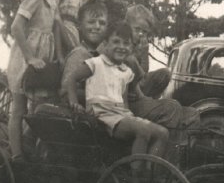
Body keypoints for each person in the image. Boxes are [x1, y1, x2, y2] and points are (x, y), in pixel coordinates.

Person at [66, 21, 169, 159]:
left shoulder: (126, 72)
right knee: (143, 130)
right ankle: (138, 178)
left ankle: (152, 172)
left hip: (120, 115)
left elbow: (123, 100)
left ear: (131, 47)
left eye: (126, 43)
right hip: (101, 115)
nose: (121, 47)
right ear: (106, 43)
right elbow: (71, 79)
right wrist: (74, 103)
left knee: (163, 133)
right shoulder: (96, 63)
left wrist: (131, 119)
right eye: (116, 42)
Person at [7, 0, 66, 159]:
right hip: (26, 58)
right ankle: (17, 155)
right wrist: (30, 57)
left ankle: (31, 148)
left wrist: (59, 54)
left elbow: (57, 26)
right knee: (19, 108)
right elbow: (16, 28)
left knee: (40, 108)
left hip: (45, 57)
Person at [123, 4, 200, 140]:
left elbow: (143, 75)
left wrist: (144, 53)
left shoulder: (138, 46)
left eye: (145, 32)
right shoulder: (120, 44)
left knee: (192, 113)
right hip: (127, 99)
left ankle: (179, 152)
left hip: (137, 91)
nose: (141, 34)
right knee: (172, 106)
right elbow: (134, 75)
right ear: (126, 25)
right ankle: (164, 154)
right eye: (137, 29)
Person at [60, 0, 108, 105]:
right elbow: (65, 92)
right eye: (91, 22)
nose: (97, 26)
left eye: (102, 23)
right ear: (80, 26)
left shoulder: (106, 54)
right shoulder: (79, 54)